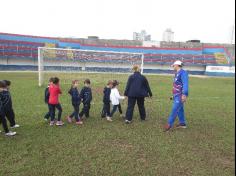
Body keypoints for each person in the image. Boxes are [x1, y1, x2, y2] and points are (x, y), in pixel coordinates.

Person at [164, 60, 189, 132]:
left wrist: (184, 94)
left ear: (177, 65)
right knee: (180, 109)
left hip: (180, 95)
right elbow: (176, 85)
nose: (173, 67)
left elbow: (185, 84)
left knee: (174, 110)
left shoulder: (183, 73)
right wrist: (173, 95)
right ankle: (182, 123)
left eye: (174, 65)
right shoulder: (176, 73)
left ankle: (169, 125)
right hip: (176, 95)